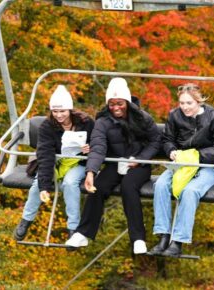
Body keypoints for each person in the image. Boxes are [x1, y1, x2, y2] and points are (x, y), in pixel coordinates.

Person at [65, 77, 161, 254]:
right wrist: (91, 172)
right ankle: (83, 233)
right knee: (97, 188)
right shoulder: (103, 122)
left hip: (138, 165)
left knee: (128, 187)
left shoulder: (142, 118)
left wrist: (140, 159)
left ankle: (138, 238)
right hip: (114, 163)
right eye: (111, 104)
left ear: (127, 102)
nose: (116, 108)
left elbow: (155, 141)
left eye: (119, 103)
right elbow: (98, 147)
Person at [149, 83, 214, 257]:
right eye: (182, 103)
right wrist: (171, 151)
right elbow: (167, 139)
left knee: (190, 191)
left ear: (199, 101)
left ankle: (178, 241)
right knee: (160, 185)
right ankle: (163, 235)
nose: (185, 107)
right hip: (181, 164)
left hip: (206, 165)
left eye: (189, 103)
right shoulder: (174, 116)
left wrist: (196, 156)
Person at [14, 85, 94, 241]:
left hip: (78, 162)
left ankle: (73, 228)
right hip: (56, 161)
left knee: (70, 184)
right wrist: (44, 186)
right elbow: (45, 155)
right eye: (55, 111)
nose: (59, 115)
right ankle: (26, 220)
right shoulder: (47, 126)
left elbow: (98, 143)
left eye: (62, 111)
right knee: (37, 185)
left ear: (70, 109)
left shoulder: (86, 122)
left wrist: (89, 149)